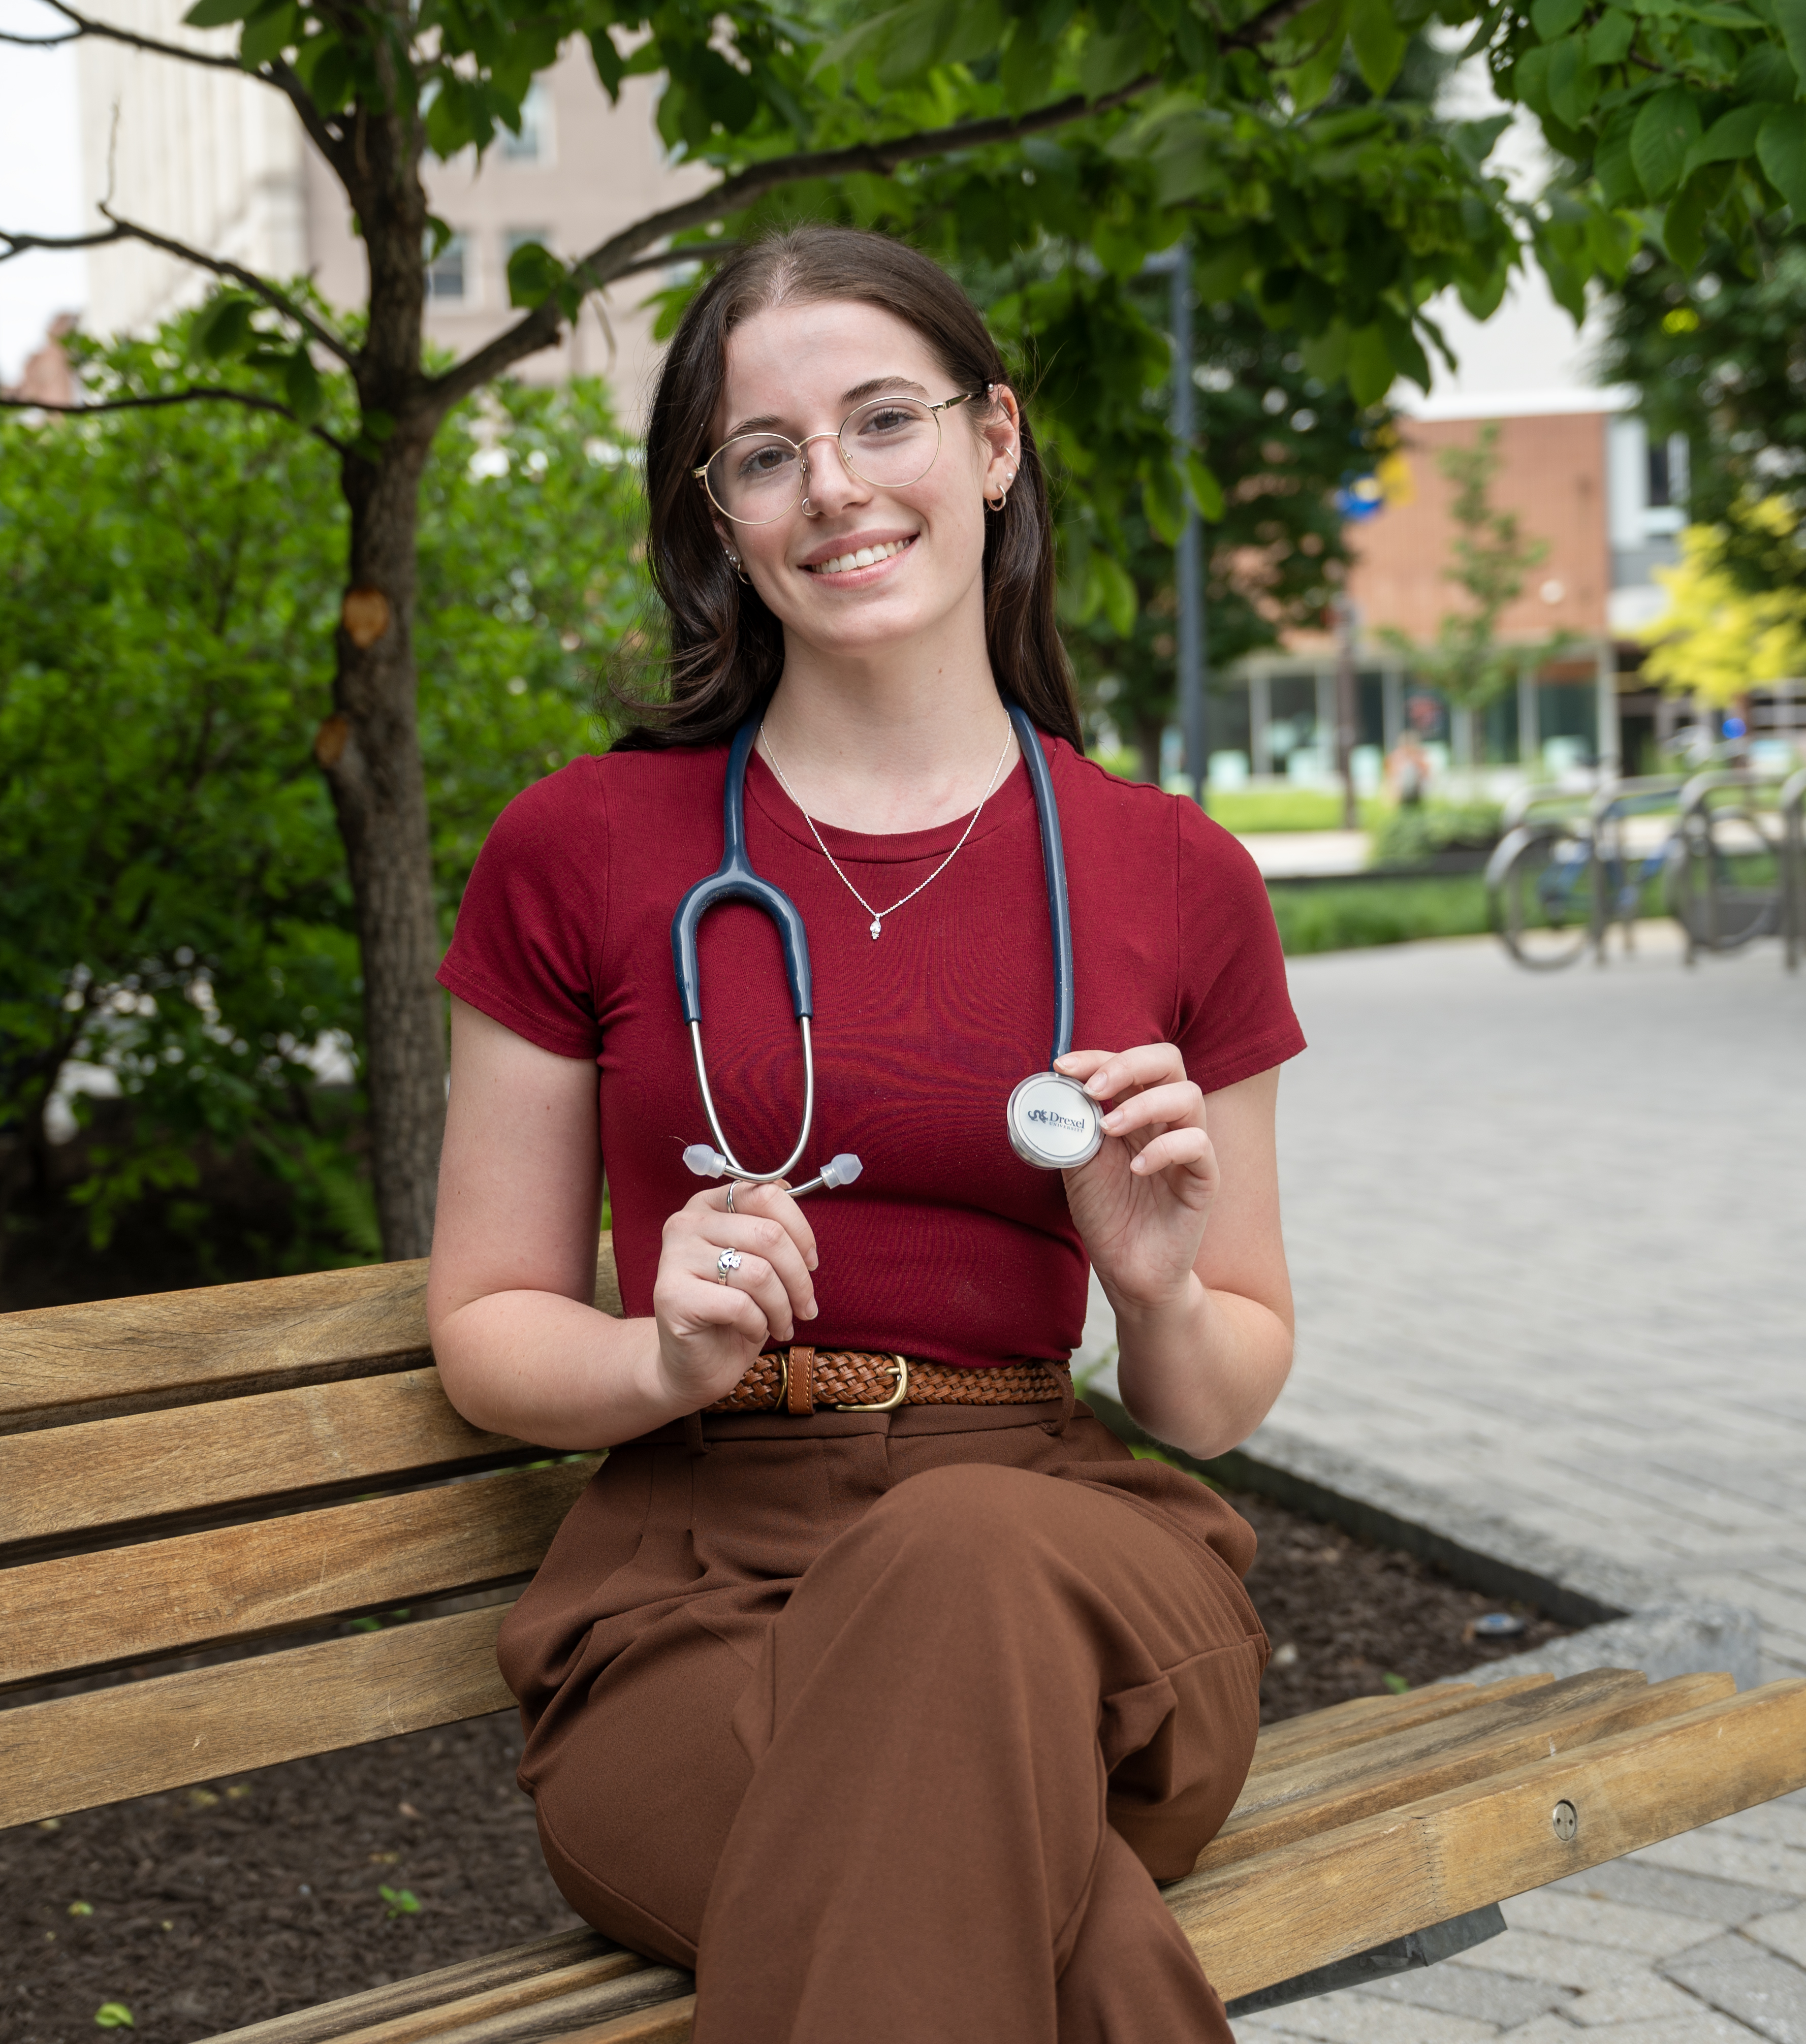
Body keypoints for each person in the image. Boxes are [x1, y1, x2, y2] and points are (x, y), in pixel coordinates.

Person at [427, 225, 1305, 2044]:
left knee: (959, 1552)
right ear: (723, 522)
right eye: (765, 454)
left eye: (881, 420)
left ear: (993, 443)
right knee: (1072, 1952)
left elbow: (1218, 1400)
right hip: (696, 1600)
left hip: (1074, 1576)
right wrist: (661, 1351)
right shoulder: (583, 852)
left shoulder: (1178, 878)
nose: (833, 487)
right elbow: (490, 1327)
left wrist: (1148, 1289)